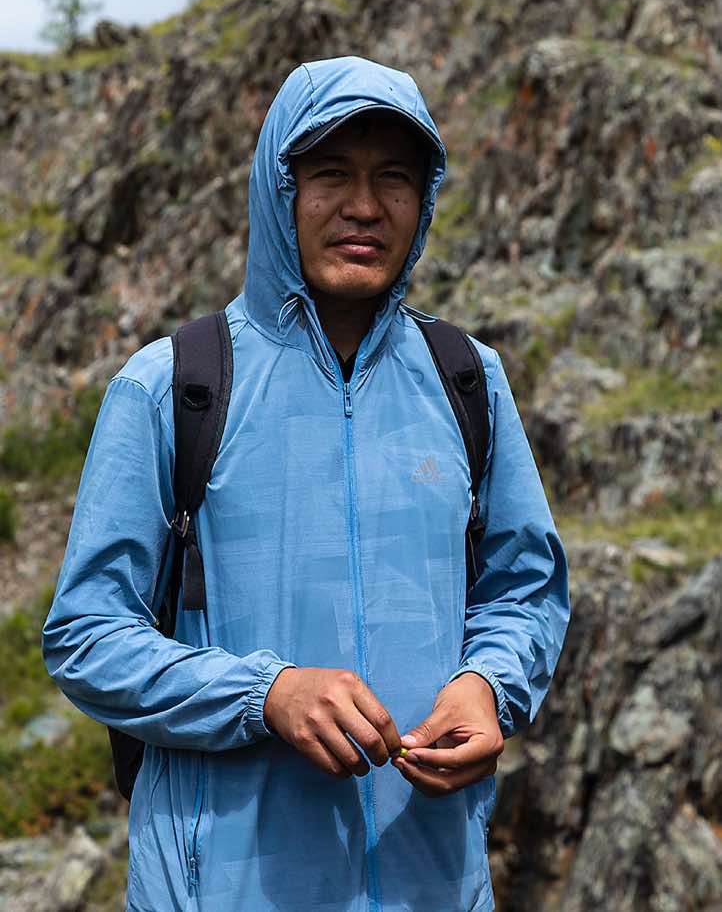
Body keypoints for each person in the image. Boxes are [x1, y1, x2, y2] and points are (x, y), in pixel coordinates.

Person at [42, 55, 570, 912]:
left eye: (394, 178)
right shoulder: (173, 385)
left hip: (433, 883)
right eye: (331, 174)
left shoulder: (468, 379)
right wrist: (266, 694)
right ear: (277, 189)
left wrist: (488, 687)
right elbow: (86, 636)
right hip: (219, 889)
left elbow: (525, 588)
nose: (364, 206)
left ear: (424, 200)